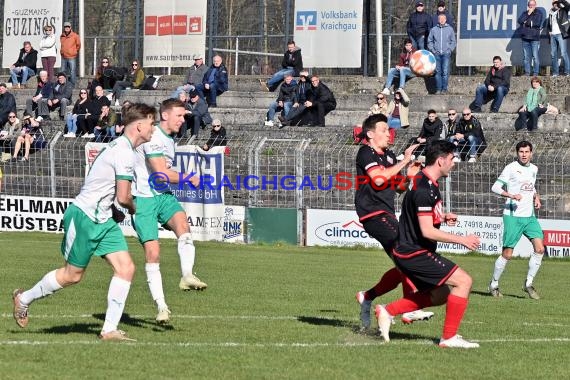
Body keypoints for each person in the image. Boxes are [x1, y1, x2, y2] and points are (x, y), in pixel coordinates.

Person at [12, 103, 155, 341]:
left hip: (104, 219)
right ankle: (23, 298)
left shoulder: (123, 148)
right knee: (72, 276)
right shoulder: (124, 153)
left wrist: (114, 209)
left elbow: (108, 189)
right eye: (152, 124)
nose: (154, 128)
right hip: (85, 216)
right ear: (139, 125)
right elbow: (124, 196)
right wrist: (134, 209)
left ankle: (109, 330)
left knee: (126, 268)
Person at [375, 140, 481, 348]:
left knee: (441, 295)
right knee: (463, 282)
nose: (454, 163)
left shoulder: (422, 180)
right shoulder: (425, 188)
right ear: (441, 161)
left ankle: (388, 311)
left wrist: (441, 217)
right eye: (452, 159)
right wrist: (463, 240)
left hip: (410, 250)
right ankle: (448, 338)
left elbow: (417, 215)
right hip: (413, 252)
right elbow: (427, 231)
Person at [354, 113, 432, 330]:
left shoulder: (388, 156)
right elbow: (378, 178)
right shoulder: (365, 152)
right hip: (373, 214)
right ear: (370, 134)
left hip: (386, 213)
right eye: (383, 130)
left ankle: (367, 296)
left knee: (402, 267)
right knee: (407, 253)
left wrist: (408, 175)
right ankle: (409, 309)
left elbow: (398, 188)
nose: (389, 134)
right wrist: (405, 160)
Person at [132, 98, 206, 324]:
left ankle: (186, 275)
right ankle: (162, 306)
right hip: (143, 199)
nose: (183, 120)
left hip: (162, 196)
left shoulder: (169, 140)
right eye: (180, 116)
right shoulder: (152, 136)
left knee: (183, 226)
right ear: (165, 115)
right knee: (153, 254)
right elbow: (160, 173)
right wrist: (189, 178)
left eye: (184, 116)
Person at [489, 140, 544, 300]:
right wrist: (511, 195)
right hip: (513, 216)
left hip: (529, 216)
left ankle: (528, 283)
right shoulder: (511, 168)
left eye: (527, 152)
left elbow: (531, 186)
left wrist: (537, 197)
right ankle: (493, 284)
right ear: (517, 153)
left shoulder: (534, 169)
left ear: (531, 153)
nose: (524, 154)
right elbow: (495, 187)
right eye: (521, 152)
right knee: (507, 254)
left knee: (540, 249)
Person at [427, 14, 456, 95]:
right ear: (438, 20)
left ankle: (444, 89)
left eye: (443, 19)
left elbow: (453, 41)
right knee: (437, 72)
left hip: (446, 54)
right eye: (440, 19)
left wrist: (449, 50)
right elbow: (429, 41)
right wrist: (433, 50)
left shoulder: (450, 29)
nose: (442, 20)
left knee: (445, 72)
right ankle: (438, 89)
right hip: (436, 54)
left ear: (446, 19)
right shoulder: (433, 29)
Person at [518, 1, 544, 76]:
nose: (531, 6)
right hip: (525, 38)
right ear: (528, 5)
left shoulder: (539, 13)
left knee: (535, 56)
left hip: (534, 38)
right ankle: (527, 72)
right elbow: (519, 21)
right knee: (526, 57)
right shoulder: (525, 13)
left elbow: (537, 23)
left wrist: (526, 22)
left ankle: (535, 73)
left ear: (535, 5)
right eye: (530, 5)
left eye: (533, 5)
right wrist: (528, 15)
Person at [546, 0, 570, 76]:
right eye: (554, 4)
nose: (555, 5)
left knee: (564, 53)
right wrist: (549, 31)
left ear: (559, 4)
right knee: (553, 55)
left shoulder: (563, 10)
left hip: (561, 34)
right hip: (553, 35)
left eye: (556, 3)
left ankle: (567, 72)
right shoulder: (551, 12)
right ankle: (555, 73)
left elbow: (568, 5)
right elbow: (549, 24)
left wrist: (559, 0)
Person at [60, 21, 81, 86]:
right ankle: (63, 84)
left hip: (72, 57)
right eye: (65, 27)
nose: (67, 28)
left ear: (70, 27)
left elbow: (78, 45)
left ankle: (72, 84)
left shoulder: (75, 36)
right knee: (63, 71)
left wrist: (74, 52)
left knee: (72, 71)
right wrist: (61, 52)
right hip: (64, 56)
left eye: (68, 27)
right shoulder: (62, 36)